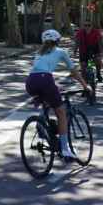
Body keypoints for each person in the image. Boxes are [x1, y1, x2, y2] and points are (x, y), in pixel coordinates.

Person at [26, 29, 90, 161]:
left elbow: (40, 71)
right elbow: (74, 71)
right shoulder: (61, 52)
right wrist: (85, 86)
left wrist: (54, 86)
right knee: (61, 112)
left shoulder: (39, 52)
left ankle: (41, 121)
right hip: (45, 81)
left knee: (48, 99)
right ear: (57, 41)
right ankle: (65, 149)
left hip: (31, 82)